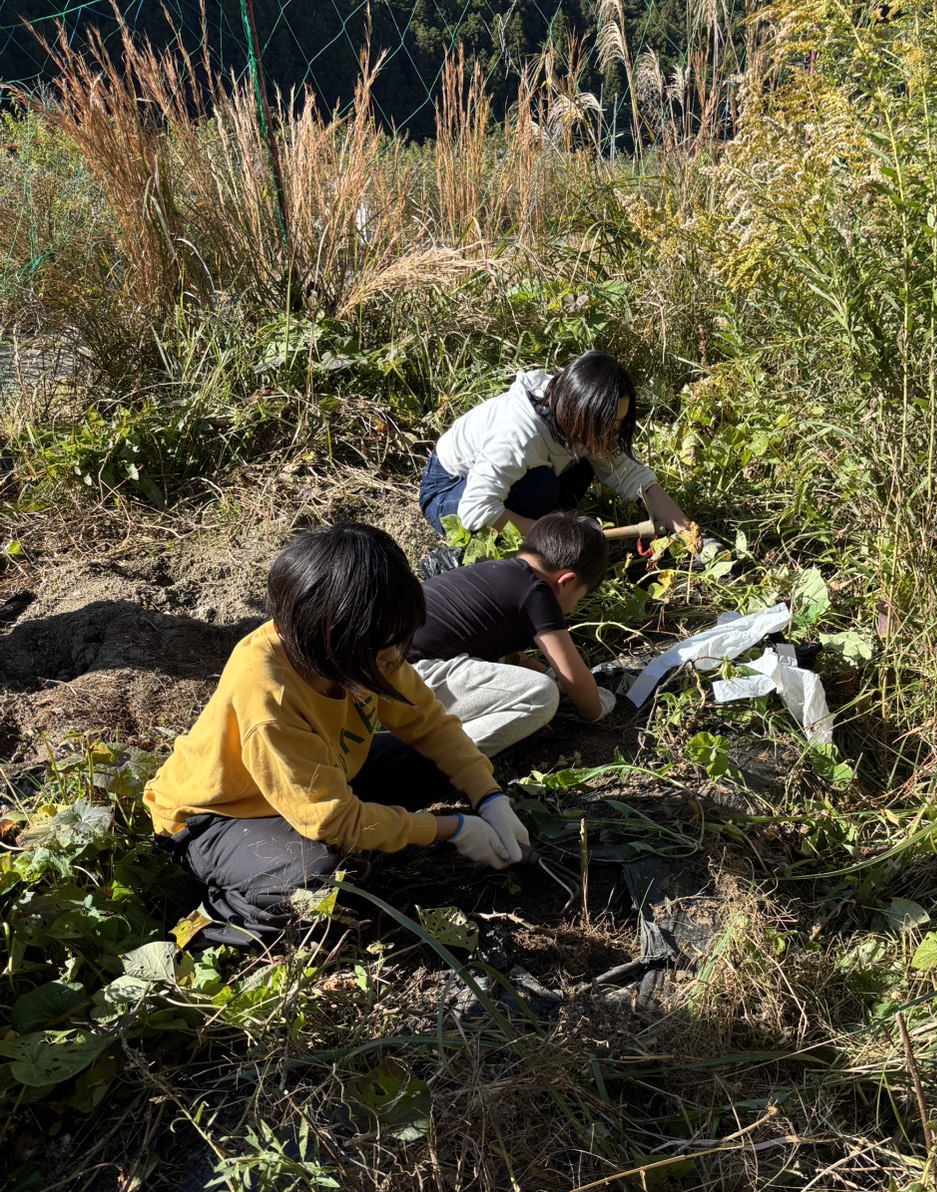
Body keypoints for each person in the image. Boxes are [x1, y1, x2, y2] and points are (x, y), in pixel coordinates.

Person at [144, 523, 530, 948]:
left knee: (436, 761)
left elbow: (430, 722)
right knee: (315, 880)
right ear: (332, 637)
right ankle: (214, 923)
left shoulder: (365, 647)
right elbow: (332, 822)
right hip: (220, 817)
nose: (393, 657)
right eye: (383, 647)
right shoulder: (268, 692)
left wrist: (488, 796)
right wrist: (449, 827)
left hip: (320, 775)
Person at [419, 349, 694, 539]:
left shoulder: (574, 407)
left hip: (493, 485)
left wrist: (689, 533)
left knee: (579, 467)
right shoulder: (518, 436)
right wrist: (554, 534)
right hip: (449, 491)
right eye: (610, 425)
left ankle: (539, 520)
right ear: (582, 416)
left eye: (620, 423)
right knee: (540, 487)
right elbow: (476, 512)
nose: (615, 433)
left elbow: (631, 476)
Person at [408, 512, 617, 757]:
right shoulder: (537, 592)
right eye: (579, 598)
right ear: (566, 582)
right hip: (412, 677)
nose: (571, 609)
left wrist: (543, 670)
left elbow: (500, 649)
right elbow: (576, 680)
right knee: (541, 695)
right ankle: (435, 758)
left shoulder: (495, 573)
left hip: (389, 662)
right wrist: (598, 708)